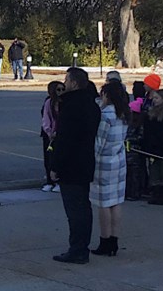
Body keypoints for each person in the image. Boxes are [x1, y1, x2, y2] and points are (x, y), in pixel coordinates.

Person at [49, 67, 101, 264]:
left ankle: (77, 248)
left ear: (75, 83)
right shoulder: (92, 105)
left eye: (67, 79)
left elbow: (65, 140)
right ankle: (81, 246)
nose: (65, 83)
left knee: (75, 209)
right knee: (83, 207)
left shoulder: (71, 106)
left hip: (71, 164)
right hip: (85, 161)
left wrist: (55, 166)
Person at [91, 82, 130, 256]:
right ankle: (114, 239)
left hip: (104, 163)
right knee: (116, 201)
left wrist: (91, 161)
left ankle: (104, 239)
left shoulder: (105, 116)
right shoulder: (123, 114)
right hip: (119, 160)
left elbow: (99, 142)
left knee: (103, 204)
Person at [39, 81, 64, 192]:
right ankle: (49, 181)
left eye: (63, 89)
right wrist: (49, 132)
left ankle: (59, 181)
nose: (61, 92)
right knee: (48, 158)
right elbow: (45, 118)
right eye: (58, 90)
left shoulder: (66, 102)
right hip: (49, 135)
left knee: (58, 158)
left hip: (61, 134)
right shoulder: (48, 102)